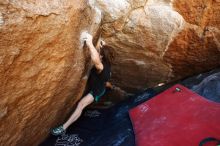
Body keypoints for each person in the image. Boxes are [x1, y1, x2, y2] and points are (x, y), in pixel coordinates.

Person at [51, 33, 113, 136]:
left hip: (96, 92)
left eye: (99, 52)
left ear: (101, 56)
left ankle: (63, 127)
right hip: (102, 85)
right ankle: (111, 87)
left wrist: (89, 42)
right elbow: (103, 56)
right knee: (105, 83)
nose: (98, 52)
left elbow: (96, 60)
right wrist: (103, 45)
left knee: (81, 105)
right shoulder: (108, 63)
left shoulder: (101, 67)